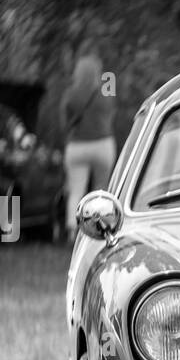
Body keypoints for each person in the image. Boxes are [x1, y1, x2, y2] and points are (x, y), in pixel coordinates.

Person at [61, 46, 116, 240]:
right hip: (102, 144)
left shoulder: (71, 92)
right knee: (101, 189)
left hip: (76, 146)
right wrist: (106, 74)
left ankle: (71, 230)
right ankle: (101, 228)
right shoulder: (106, 85)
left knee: (76, 189)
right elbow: (111, 110)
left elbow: (65, 120)